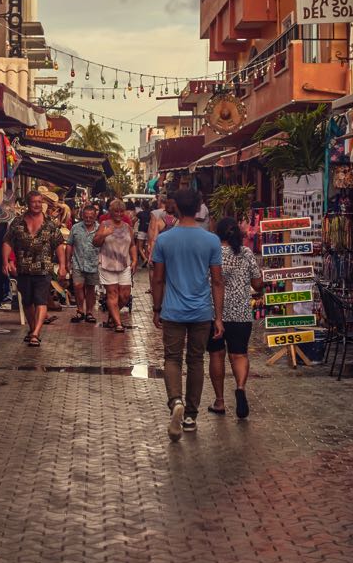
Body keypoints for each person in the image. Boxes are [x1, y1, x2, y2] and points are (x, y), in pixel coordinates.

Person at [151, 188, 224, 441]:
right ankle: (191, 415)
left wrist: (156, 309)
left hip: (172, 310)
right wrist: (218, 317)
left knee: (172, 359)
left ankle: (176, 402)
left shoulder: (164, 240)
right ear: (199, 207)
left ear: (177, 209)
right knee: (196, 361)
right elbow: (217, 281)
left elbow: (158, 279)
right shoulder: (211, 240)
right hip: (202, 311)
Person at [206, 217, 262, 419]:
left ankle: (220, 401)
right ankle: (240, 388)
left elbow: (208, 280)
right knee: (239, 354)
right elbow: (257, 284)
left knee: (216, 355)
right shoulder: (246, 253)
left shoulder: (212, 253)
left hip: (214, 312)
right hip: (241, 312)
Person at [3, 190, 68, 347]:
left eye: (40, 202)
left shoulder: (50, 224)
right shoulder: (17, 223)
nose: (37, 205)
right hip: (23, 269)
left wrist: (63, 266)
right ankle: (33, 330)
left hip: (44, 269)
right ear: (27, 203)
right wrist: (5, 261)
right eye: (34, 202)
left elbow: (59, 244)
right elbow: (7, 242)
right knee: (27, 302)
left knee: (40, 300)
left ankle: (36, 333)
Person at [94, 199, 136, 332]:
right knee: (112, 294)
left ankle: (113, 316)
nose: (118, 213)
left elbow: (133, 245)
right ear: (110, 212)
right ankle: (118, 324)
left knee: (124, 295)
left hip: (124, 265)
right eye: (115, 211)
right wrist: (104, 234)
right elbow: (95, 242)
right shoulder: (104, 224)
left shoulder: (127, 227)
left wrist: (134, 260)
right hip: (107, 264)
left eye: (121, 211)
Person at [66, 205, 100, 324]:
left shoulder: (100, 229)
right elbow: (69, 244)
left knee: (90, 288)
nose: (88, 219)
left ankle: (89, 312)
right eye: (86, 216)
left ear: (95, 216)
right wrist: (67, 261)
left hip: (94, 264)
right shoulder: (75, 228)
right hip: (77, 262)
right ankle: (80, 310)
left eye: (91, 217)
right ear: (82, 216)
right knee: (78, 285)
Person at [135, 201, 152, 268]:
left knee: (139, 247)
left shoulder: (140, 213)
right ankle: (148, 260)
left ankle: (145, 259)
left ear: (142, 206)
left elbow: (134, 220)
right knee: (146, 247)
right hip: (148, 231)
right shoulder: (151, 213)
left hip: (141, 230)